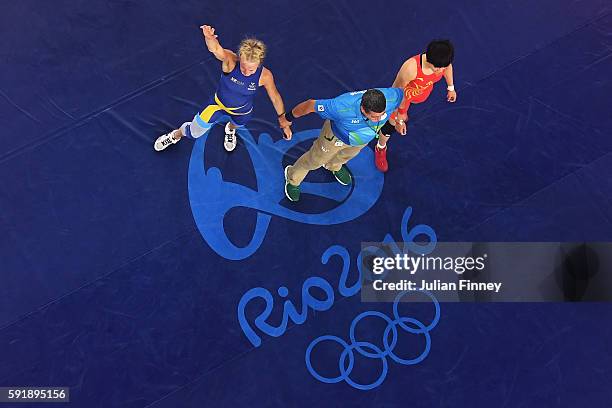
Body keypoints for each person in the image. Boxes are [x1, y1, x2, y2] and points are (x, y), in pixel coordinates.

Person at [154, 25, 291, 152]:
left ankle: (230, 130)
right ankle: (175, 135)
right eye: (243, 66)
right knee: (193, 133)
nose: (246, 72)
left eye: (251, 69)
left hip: (242, 111)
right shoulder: (230, 61)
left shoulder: (265, 76)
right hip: (217, 105)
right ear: (239, 58)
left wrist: (284, 122)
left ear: (259, 63)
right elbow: (216, 49)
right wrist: (209, 38)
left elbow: (275, 97)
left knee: (236, 124)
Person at [281, 88, 405, 202]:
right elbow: (310, 105)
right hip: (334, 138)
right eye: (374, 117)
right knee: (314, 161)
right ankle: (292, 177)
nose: (379, 119)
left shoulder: (391, 97)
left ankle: (333, 166)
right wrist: (288, 118)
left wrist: (399, 119)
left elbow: (403, 95)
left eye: (382, 115)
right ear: (362, 109)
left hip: (360, 141)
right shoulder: (341, 106)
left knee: (345, 156)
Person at [374, 39, 457, 172]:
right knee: (391, 125)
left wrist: (451, 87)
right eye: (438, 68)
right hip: (401, 98)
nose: (440, 71)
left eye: (443, 67)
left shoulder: (441, 62)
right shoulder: (410, 68)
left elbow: (448, 67)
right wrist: (400, 118)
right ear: (429, 60)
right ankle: (380, 146)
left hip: (418, 96)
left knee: (400, 118)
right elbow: (400, 93)